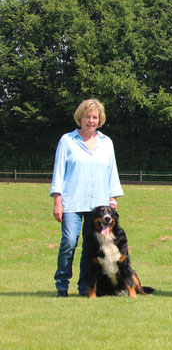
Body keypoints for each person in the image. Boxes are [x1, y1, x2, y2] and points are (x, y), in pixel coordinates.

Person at [50, 99, 124, 297]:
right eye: (87, 116)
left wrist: (112, 200)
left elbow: (112, 172)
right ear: (80, 118)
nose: (91, 121)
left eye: (94, 117)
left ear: (99, 120)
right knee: (69, 242)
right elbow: (59, 172)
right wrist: (57, 200)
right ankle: (62, 285)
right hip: (72, 202)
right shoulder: (67, 141)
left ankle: (85, 287)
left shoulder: (106, 143)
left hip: (98, 206)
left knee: (90, 247)